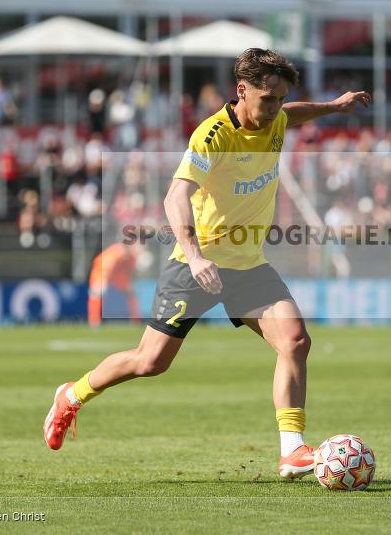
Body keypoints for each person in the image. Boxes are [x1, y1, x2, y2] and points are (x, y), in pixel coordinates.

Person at [43, 48, 371, 481]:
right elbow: (174, 197)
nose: (274, 108)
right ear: (242, 91)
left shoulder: (276, 119)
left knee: (295, 341)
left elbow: (293, 113)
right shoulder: (211, 136)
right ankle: (72, 393)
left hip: (249, 266)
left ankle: (291, 451)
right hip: (196, 267)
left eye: (278, 99)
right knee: (150, 362)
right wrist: (195, 256)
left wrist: (334, 107)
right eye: (266, 99)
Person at [88, 242, 141, 327]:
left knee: (131, 292)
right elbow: (106, 267)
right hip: (101, 270)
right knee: (97, 292)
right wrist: (104, 281)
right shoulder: (116, 253)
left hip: (118, 273)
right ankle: (94, 320)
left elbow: (130, 272)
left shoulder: (132, 256)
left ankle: (136, 320)